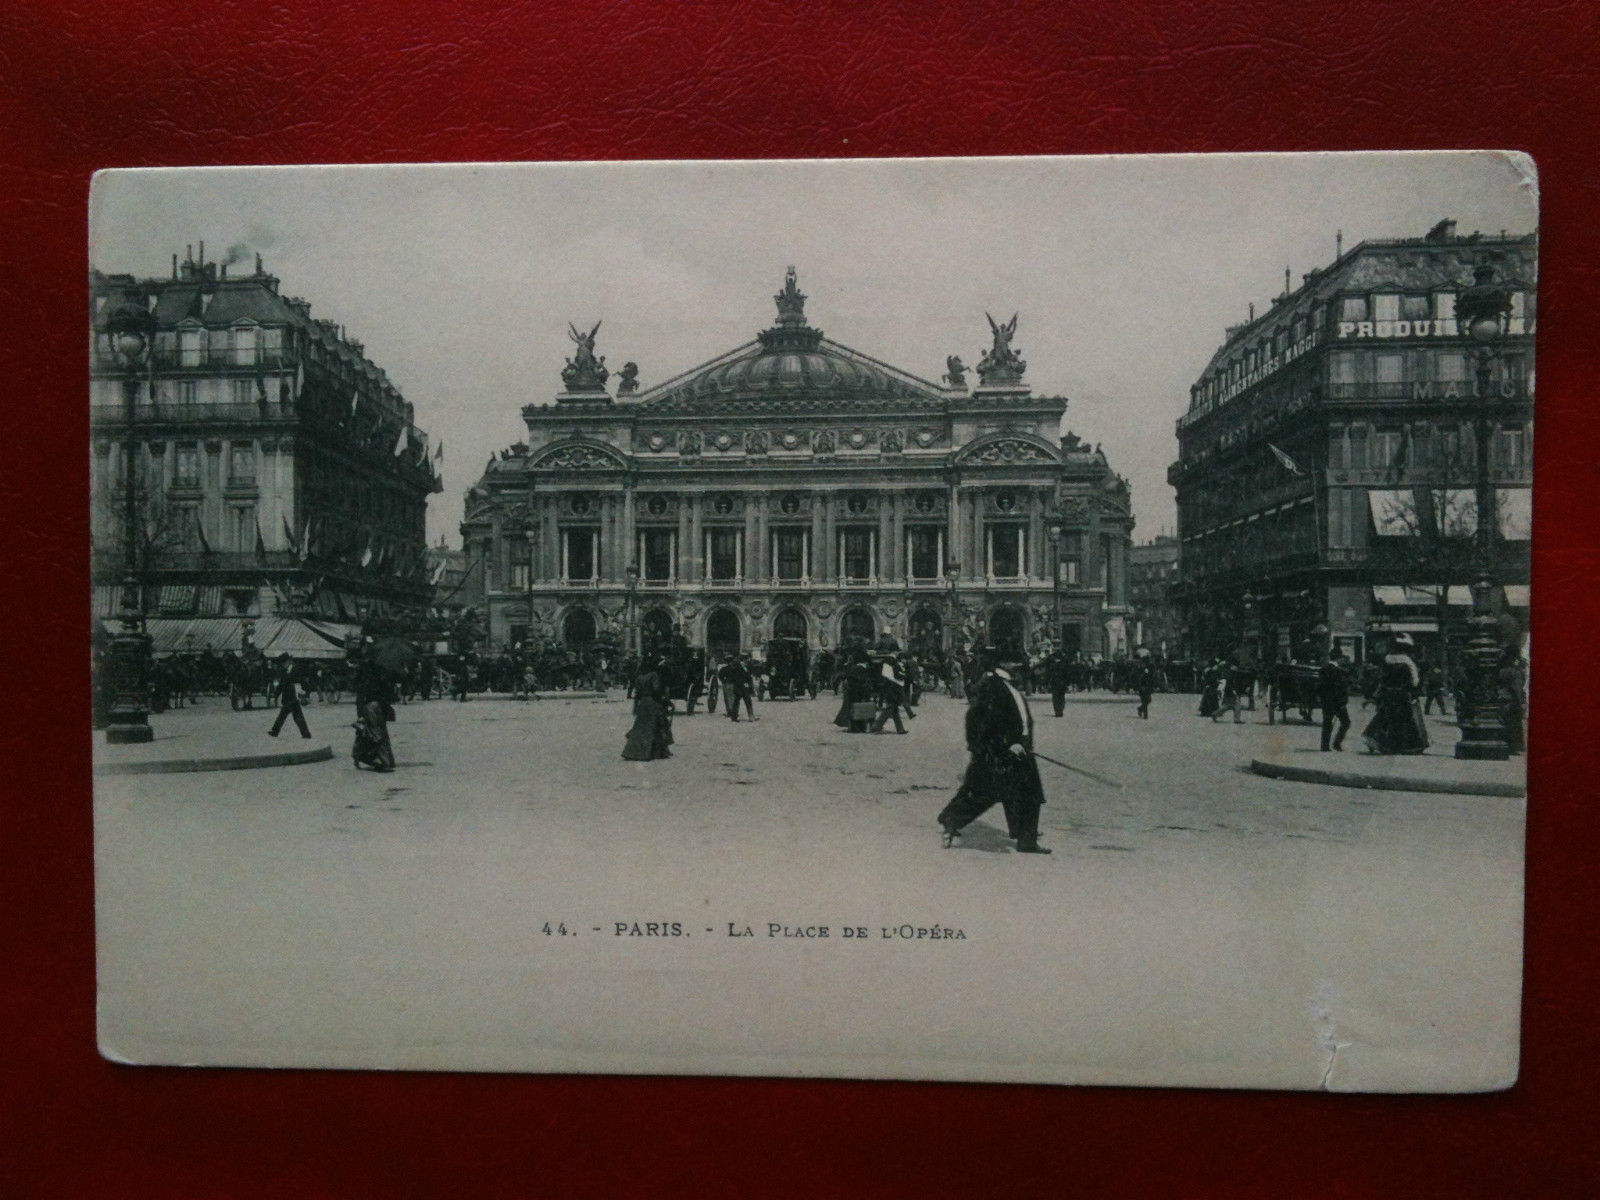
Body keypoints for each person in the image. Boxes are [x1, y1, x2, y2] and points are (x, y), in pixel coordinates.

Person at [936, 648, 1050, 854]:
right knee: (986, 795)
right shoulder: (992, 686)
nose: (1020, 667)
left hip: (1021, 749)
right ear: (1004, 664)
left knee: (1029, 795)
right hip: (1003, 751)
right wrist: (1006, 745)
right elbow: (982, 721)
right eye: (1016, 663)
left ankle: (1027, 840)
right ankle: (951, 819)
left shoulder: (1009, 685)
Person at [1361, 633, 1429, 754]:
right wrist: (1415, 690)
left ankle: (1376, 739)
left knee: (1386, 716)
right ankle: (1407, 746)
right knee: (1405, 719)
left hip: (1387, 693)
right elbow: (1414, 681)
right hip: (1402, 694)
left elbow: (1380, 679)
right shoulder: (1408, 662)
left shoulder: (1386, 660)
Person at [622, 656, 673, 760]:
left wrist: (636, 706)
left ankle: (633, 752)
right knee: (655, 726)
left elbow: (637, 693)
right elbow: (656, 689)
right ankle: (654, 752)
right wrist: (665, 700)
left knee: (640, 728)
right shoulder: (653, 675)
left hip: (643, 703)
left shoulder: (639, 677)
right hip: (652, 702)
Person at [351, 658, 396, 771]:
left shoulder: (366, 677)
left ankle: (359, 756)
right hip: (374, 708)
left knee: (367, 733)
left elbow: (360, 697)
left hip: (372, 708)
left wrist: (360, 714)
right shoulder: (376, 677)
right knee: (377, 734)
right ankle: (384, 761)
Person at [267, 654, 312, 739]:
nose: (283, 665)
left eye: (283, 663)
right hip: (288, 697)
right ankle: (305, 734)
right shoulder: (286, 670)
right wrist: (275, 695)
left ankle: (275, 731)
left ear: (288, 661)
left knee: (293, 717)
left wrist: (306, 694)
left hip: (294, 697)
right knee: (287, 716)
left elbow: (302, 681)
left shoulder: (295, 669)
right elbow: (281, 685)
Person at [1318, 645, 1352, 752]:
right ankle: (1337, 743)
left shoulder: (1323, 670)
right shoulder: (1339, 671)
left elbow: (1320, 687)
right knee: (1346, 722)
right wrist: (1343, 702)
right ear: (1339, 658)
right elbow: (1341, 689)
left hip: (1326, 701)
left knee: (1327, 722)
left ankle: (1324, 746)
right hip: (1337, 702)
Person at [1135, 653, 1155, 720]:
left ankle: (1140, 709)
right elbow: (1140, 677)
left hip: (1147, 685)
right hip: (1142, 686)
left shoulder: (1150, 667)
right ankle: (1145, 715)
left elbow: (1151, 676)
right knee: (1145, 700)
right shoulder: (1142, 668)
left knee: (1148, 700)